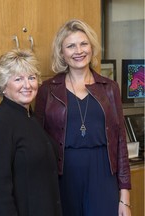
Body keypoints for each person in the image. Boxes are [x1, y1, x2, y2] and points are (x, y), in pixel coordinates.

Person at [34, 19, 131, 216]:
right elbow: (38, 144)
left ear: (92, 47)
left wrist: (125, 199)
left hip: (103, 174)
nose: (78, 50)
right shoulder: (48, 90)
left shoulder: (110, 88)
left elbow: (120, 142)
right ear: (62, 52)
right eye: (70, 46)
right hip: (63, 176)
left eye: (83, 44)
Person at [0, 49, 62, 216]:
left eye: (31, 78)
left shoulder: (30, 117)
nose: (27, 85)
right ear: (3, 86)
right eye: (18, 79)